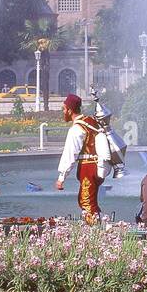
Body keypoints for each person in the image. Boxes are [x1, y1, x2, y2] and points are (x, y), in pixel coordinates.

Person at [55, 93, 108, 224]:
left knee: (87, 201)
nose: (63, 112)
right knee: (89, 199)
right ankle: (97, 226)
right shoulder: (90, 121)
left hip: (88, 168)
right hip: (99, 166)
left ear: (69, 110)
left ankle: (94, 233)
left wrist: (62, 177)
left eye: (64, 109)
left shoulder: (77, 128)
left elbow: (70, 154)